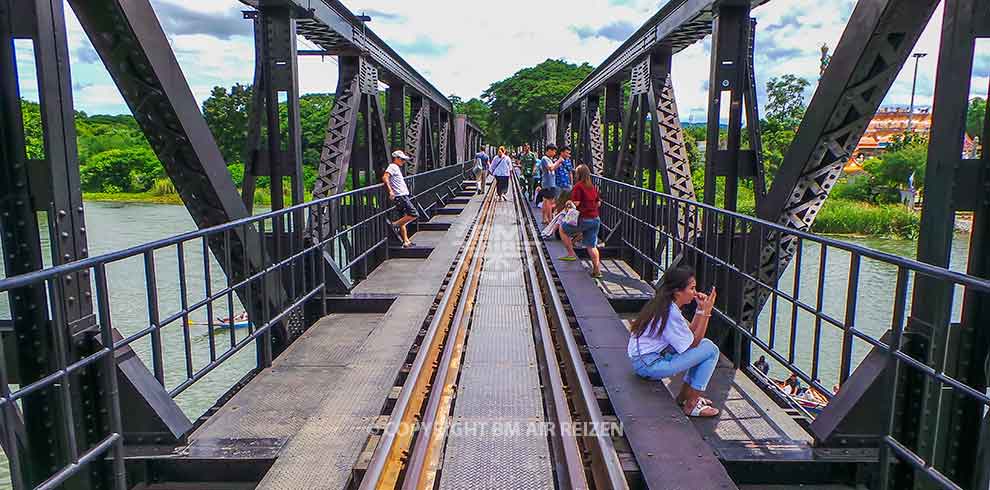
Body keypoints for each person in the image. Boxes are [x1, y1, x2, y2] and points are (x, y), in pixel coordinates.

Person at [628, 266, 720, 417]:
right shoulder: (670, 312)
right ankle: (691, 404)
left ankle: (685, 398)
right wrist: (706, 312)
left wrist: (700, 310)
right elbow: (694, 343)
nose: (695, 292)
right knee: (711, 350)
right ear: (678, 291)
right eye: (692, 288)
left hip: (644, 361)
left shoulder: (665, 305)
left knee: (705, 346)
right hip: (649, 365)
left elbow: (688, 337)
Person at [558, 165, 602, 279]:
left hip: (584, 218)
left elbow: (576, 204)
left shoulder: (578, 186)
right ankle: (597, 270)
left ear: (579, 174)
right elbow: (598, 203)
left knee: (562, 229)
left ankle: (571, 254)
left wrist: (568, 203)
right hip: (595, 219)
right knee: (591, 246)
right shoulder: (592, 187)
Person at [383, 150, 418, 248]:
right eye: (402, 159)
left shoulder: (396, 167)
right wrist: (390, 191)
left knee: (403, 219)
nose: (403, 162)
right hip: (400, 196)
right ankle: (393, 225)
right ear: (396, 158)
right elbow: (385, 177)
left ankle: (406, 241)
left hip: (401, 196)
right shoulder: (392, 167)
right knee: (414, 214)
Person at [538, 145, 561, 224]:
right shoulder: (545, 159)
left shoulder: (549, 159)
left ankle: (544, 218)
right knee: (549, 202)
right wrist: (559, 161)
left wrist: (557, 164)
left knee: (545, 201)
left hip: (548, 183)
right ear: (549, 150)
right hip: (548, 184)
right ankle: (550, 219)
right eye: (554, 151)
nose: (554, 153)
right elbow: (550, 168)